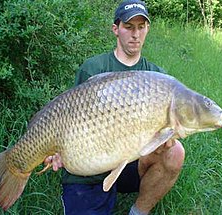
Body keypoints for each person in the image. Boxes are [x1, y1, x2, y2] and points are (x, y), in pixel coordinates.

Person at [44, 0, 185, 214]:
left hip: (131, 160)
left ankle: (138, 211)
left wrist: (166, 137)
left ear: (147, 29)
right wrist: (56, 148)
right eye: (128, 27)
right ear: (116, 29)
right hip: (90, 164)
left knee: (175, 151)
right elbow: (67, 118)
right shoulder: (93, 68)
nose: (135, 34)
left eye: (141, 27)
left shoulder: (158, 77)